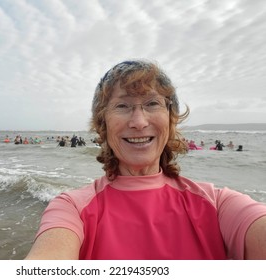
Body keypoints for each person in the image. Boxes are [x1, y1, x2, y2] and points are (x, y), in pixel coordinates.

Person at [25, 60, 266, 260]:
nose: (139, 121)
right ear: (103, 124)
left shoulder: (218, 204)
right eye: (122, 105)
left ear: (170, 121)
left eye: (152, 103)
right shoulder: (72, 208)